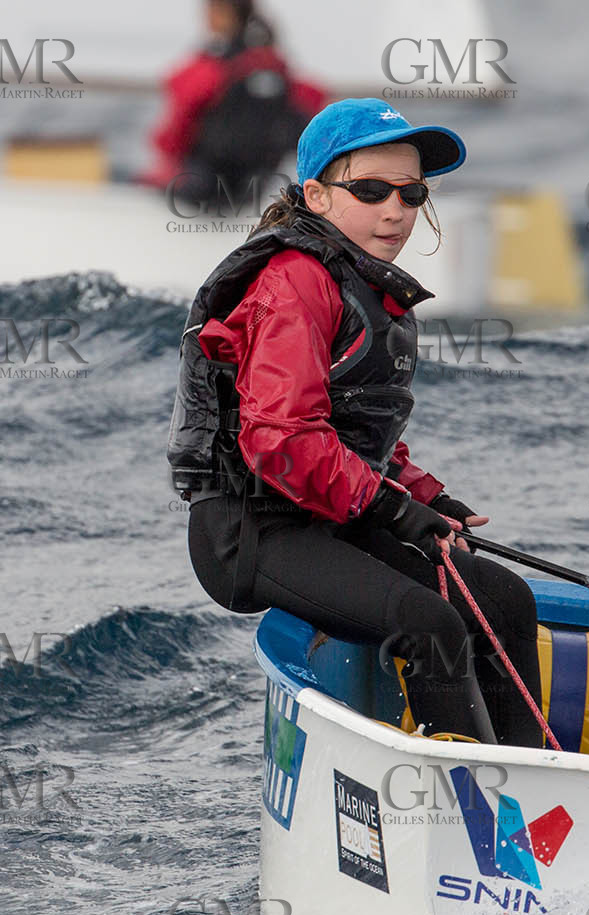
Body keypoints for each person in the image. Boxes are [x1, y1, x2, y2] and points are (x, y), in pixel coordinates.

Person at [167, 98, 544, 747]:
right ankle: (462, 812)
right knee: (431, 623)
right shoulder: (294, 281)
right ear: (316, 194)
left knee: (505, 600)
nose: (395, 209)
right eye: (370, 190)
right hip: (249, 529)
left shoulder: (364, 285)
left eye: (411, 191)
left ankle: (534, 797)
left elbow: (355, 433)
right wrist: (394, 511)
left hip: (326, 516)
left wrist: (426, 497)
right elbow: (280, 440)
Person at [140, 0, 326, 208]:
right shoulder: (272, 62)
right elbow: (312, 99)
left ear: (224, 13)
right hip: (260, 181)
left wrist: (166, 158)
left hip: (206, 181)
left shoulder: (213, 66)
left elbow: (178, 119)